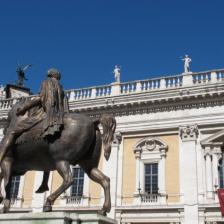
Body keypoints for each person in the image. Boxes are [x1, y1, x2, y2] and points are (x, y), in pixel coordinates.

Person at [0, 68, 69, 164]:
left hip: (45, 114)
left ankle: (1, 156)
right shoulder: (61, 88)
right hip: (59, 115)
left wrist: (24, 107)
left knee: (12, 132)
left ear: (49, 75)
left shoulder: (47, 82)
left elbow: (40, 98)